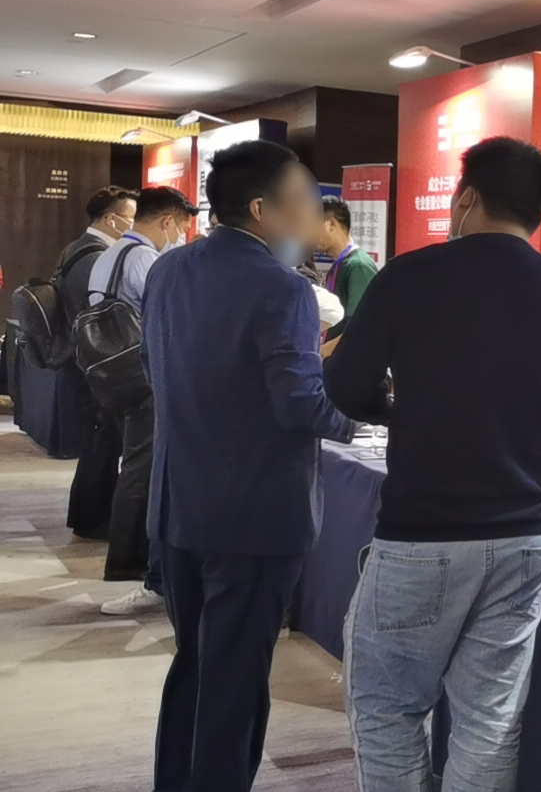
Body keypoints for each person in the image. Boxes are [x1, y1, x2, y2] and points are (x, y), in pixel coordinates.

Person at [325, 136, 541, 792]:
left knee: (386, 706)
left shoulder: (409, 276)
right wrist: (536, 409)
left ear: (465, 198)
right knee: (489, 721)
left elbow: (345, 386)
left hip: (422, 534)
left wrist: (404, 411)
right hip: (526, 536)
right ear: (537, 213)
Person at [141, 140, 355, 792]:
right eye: (304, 199)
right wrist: (362, 418)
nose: (313, 214)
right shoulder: (282, 288)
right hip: (255, 518)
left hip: (179, 505)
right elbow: (299, 406)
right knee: (235, 681)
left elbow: (157, 372)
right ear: (263, 209)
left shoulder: (169, 271)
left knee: (196, 665)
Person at [88, 187, 197, 613]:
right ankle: (129, 562)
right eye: (182, 226)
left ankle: (126, 558)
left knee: (133, 465)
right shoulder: (145, 259)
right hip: (141, 377)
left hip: (111, 373)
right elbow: (168, 318)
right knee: (144, 468)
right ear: (168, 221)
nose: (182, 236)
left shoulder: (111, 253)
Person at [60, 186, 138, 539]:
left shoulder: (76, 249)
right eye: (131, 218)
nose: (134, 225)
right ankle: (92, 520)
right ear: (111, 218)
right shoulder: (96, 258)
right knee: (102, 443)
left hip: (84, 363)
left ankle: (90, 517)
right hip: (95, 367)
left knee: (101, 442)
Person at [317, 195, 377, 343]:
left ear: (331, 224)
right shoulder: (340, 265)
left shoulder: (359, 265)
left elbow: (361, 326)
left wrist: (322, 352)